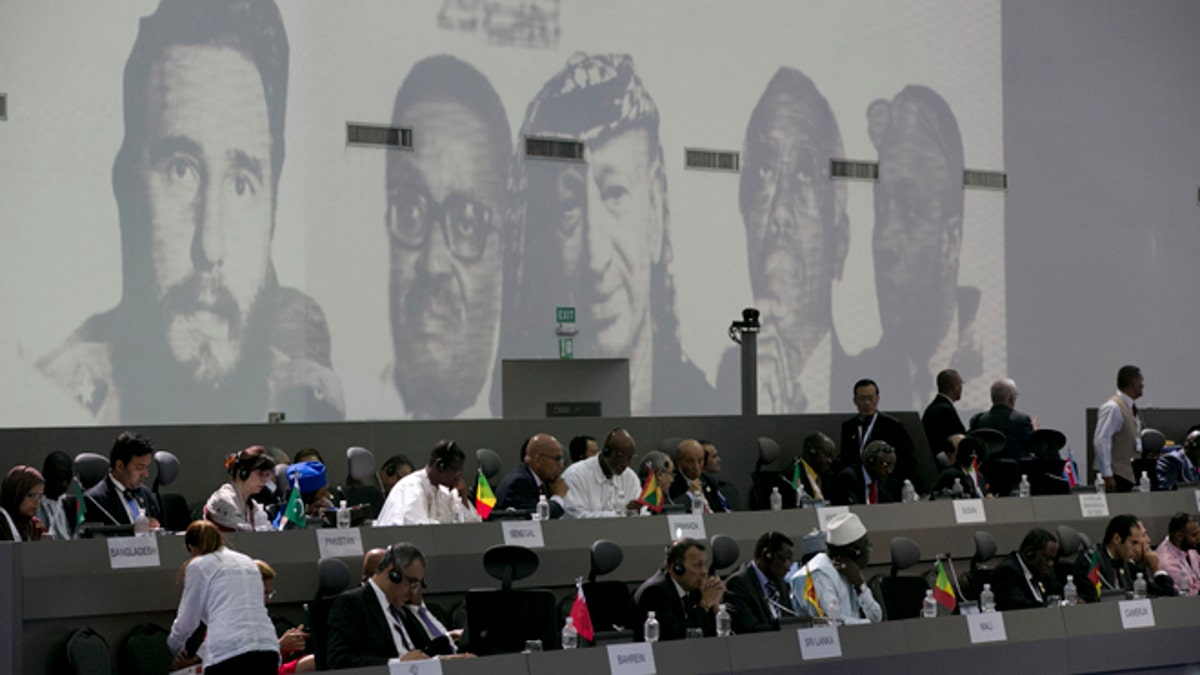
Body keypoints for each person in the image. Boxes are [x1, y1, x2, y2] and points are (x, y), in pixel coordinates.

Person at [35, 0, 344, 425]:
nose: (209, 245)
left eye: (241, 184)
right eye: (181, 170)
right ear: (127, 189)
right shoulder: (55, 401)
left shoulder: (309, 399)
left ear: (272, 208)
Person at [504, 52, 715, 416]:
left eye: (615, 194)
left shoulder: (705, 410)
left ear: (654, 211)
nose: (595, 258)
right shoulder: (520, 410)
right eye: (568, 206)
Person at [382, 55, 511, 420]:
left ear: (504, 249)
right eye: (410, 211)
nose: (433, 262)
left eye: (467, 222)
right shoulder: (346, 403)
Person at [716, 66, 849, 415]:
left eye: (804, 175)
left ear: (840, 242)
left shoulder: (879, 381)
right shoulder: (724, 384)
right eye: (763, 173)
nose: (779, 214)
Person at [860, 85, 982, 411]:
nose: (885, 243)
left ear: (950, 241)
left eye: (910, 209)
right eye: (881, 209)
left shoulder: (985, 366)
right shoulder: (857, 377)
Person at [327, 543, 473, 666]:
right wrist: (399, 664)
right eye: (412, 583)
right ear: (393, 574)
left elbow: (421, 653)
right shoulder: (351, 604)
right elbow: (338, 660)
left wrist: (445, 659)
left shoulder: (401, 608)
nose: (414, 592)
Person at [167, 521, 279, 674]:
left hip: (228, 655)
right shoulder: (248, 561)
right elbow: (232, 619)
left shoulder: (198, 566)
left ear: (192, 548)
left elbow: (188, 620)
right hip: (268, 648)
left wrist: (174, 646)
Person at [785, 512, 881, 624]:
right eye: (866, 545)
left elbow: (876, 616)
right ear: (854, 551)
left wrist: (860, 585)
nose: (869, 550)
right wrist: (870, 624)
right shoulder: (819, 574)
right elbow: (834, 623)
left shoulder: (850, 569)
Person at [632, 538, 727, 641]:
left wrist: (716, 606)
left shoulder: (695, 590)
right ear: (677, 568)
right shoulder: (655, 593)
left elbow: (713, 634)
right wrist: (705, 603)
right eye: (697, 565)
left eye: (704, 565)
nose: (704, 572)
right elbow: (678, 637)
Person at [375, 441, 481, 526]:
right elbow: (414, 528)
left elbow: (475, 525)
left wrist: (463, 498)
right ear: (440, 466)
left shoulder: (446, 492)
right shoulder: (410, 487)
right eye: (455, 470)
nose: (458, 477)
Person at [838, 379, 919, 488]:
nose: (867, 403)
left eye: (870, 398)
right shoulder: (849, 427)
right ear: (855, 400)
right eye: (862, 399)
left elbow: (908, 459)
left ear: (877, 399)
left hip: (885, 484)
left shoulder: (892, 425)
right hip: (857, 484)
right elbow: (845, 458)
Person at [83, 431, 162, 528]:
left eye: (146, 467)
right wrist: (134, 530)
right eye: (140, 467)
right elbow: (98, 536)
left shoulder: (145, 493)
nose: (146, 474)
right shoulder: (94, 501)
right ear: (120, 466)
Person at [560, 428, 643, 518]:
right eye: (621, 457)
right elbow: (576, 517)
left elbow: (643, 513)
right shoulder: (575, 475)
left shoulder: (630, 477)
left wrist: (636, 511)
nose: (625, 464)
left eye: (629, 458)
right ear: (606, 451)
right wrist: (621, 514)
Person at [723, 531, 795, 634]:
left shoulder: (782, 585)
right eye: (785, 560)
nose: (788, 568)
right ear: (767, 555)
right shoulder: (737, 584)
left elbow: (791, 621)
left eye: (791, 562)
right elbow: (748, 629)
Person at [253, 560, 315, 673]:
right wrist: (280, 646)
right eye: (263, 593)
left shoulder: (271, 623)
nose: (267, 600)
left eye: (269, 594)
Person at [1093, 366, 1146, 492]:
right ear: (1133, 381)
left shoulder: (1131, 408)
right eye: (1141, 380)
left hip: (1128, 475)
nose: (1142, 385)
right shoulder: (1113, 407)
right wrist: (1107, 475)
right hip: (1116, 477)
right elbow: (1101, 441)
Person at [1073, 514, 1145, 603]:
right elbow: (1098, 597)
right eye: (1134, 543)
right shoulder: (1090, 560)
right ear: (1117, 539)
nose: (1137, 550)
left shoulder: (1125, 563)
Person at [492, 433, 567, 518]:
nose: (561, 465)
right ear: (539, 460)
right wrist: (558, 497)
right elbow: (537, 517)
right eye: (557, 459)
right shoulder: (519, 483)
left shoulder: (544, 481)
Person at [989, 528, 1062, 610]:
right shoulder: (1006, 572)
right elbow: (1018, 606)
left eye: (1053, 560)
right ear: (1030, 553)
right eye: (1047, 558)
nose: (1050, 564)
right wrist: (1049, 607)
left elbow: (1059, 593)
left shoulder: (1042, 572)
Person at [205, 446, 275, 532]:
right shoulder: (224, 501)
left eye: (267, 475)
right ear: (243, 473)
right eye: (260, 473)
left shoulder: (253, 506)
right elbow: (246, 535)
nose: (264, 480)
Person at [970, 378, 1037, 461]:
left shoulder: (977, 420)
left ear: (992, 398)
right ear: (1011, 398)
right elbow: (1033, 447)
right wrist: (1036, 433)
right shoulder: (1022, 420)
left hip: (986, 468)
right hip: (1016, 468)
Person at [668, 439, 731, 513]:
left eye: (700, 461)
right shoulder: (670, 483)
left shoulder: (709, 482)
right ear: (679, 462)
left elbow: (723, 511)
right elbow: (668, 511)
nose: (696, 467)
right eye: (690, 461)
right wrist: (689, 495)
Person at [922, 369, 967, 467]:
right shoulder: (946, 411)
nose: (961, 387)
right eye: (960, 384)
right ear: (955, 386)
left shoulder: (933, 407)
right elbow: (955, 443)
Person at [831, 441, 898, 506]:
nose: (889, 471)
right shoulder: (847, 478)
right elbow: (853, 509)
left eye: (892, 466)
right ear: (871, 461)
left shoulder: (883, 483)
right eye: (885, 465)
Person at [1156, 513, 1200, 596]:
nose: (1199, 538)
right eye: (1194, 535)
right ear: (1179, 537)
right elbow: (1188, 595)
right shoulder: (1167, 563)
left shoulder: (1187, 546)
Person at [1130, 520, 1177, 597]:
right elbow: (1168, 594)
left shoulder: (1138, 566)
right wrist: (1157, 569)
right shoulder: (1130, 571)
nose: (1149, 540)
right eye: (1143, 535)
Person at [0, 466, 47, 542]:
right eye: (32, 496)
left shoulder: (36, 527)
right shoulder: (2, 524)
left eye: (40, 496)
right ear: (16, 494)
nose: (37, 502)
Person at [36, 451, 75, 541]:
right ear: (46, 475)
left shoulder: (72, 506)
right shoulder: (34, 507)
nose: (65, 484)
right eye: (60, 478)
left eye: (68, 478)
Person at [795, 432, 836, 503]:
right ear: (812, 450)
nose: (830, 461)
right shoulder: (793, 475)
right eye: (826, 454)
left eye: (831, 457)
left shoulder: (828, 477)